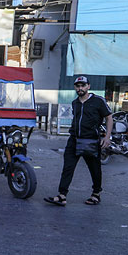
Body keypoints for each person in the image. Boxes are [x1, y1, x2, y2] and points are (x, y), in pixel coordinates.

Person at [44, 76, 112, 206]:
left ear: (88, 86)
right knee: (68, 167)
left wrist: (107, 137)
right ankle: (62, 195)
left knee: (94, 169)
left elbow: (109, 118)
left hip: (91, 141)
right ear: (75, 87)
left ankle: (96, 194)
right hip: (74, 140)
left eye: (83, 85)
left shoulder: (98, 101)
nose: (80, 88)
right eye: (77, 86)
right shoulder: (75, 103)